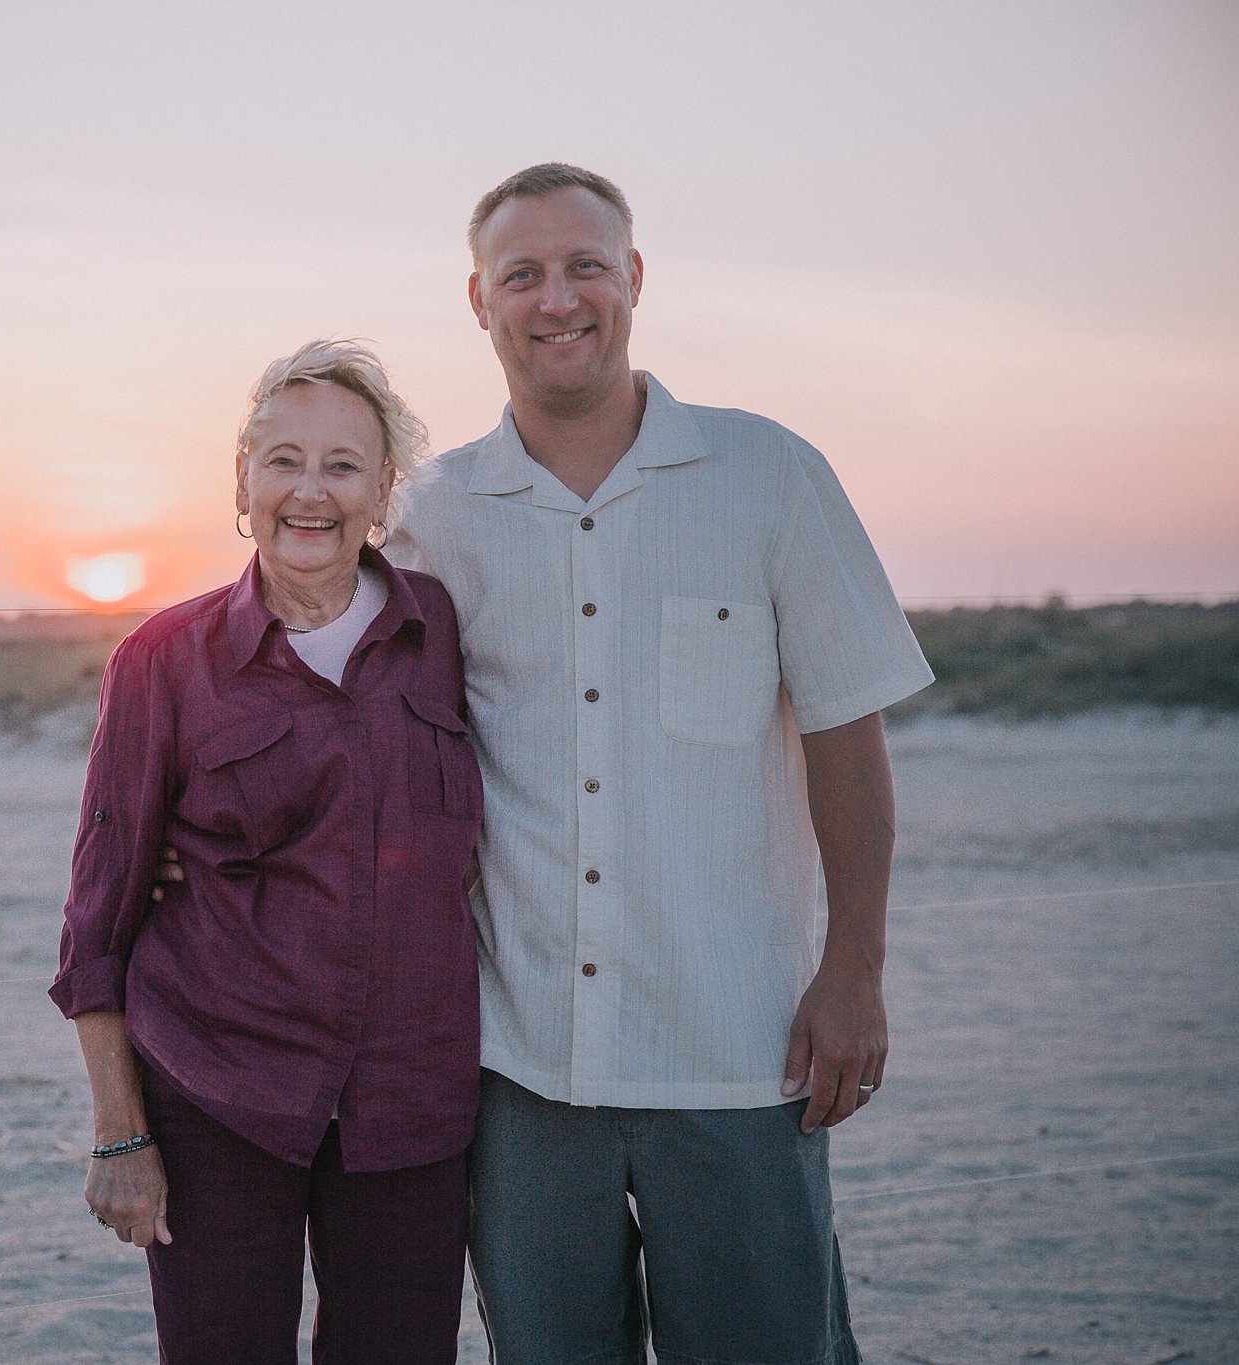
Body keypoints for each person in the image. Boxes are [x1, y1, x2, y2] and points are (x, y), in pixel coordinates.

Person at [383, 164, 935, 1363]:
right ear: (477, 302)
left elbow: (846, 737)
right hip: (518, 1062)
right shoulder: (431, 515)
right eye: (520, 274)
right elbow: (369, 756)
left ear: (631, 278)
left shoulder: (766, 474)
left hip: (738, 1043)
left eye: (584, 264)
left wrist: (853, 972)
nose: (556, 297)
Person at [49, 339, 483, 1365]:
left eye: (342, 465)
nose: (309, 491)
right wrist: (120, 1135)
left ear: (383, 492)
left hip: (409, 1108)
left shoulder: (446, 636)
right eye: (281, 460)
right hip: (215, 1096)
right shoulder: (161, 660)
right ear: (242, 482)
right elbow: (96, 924)